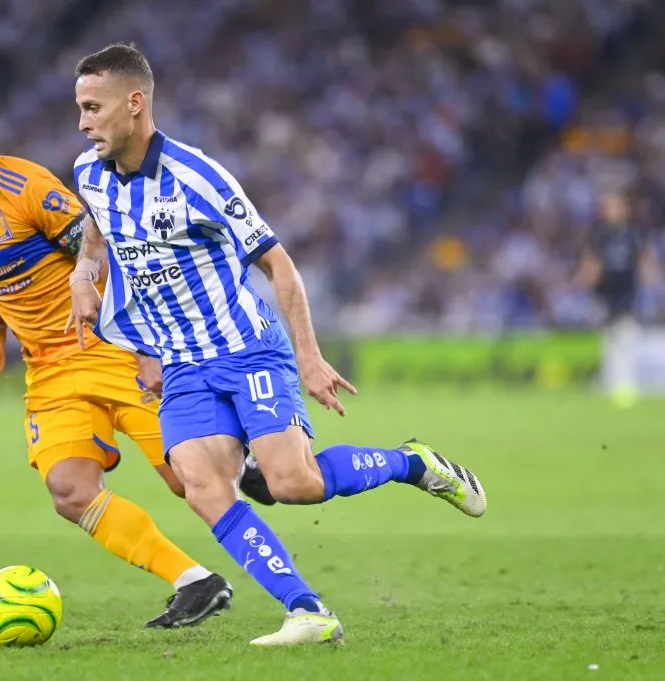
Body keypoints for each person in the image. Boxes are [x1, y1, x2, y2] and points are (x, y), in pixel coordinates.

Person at [66, 44, 487, 646]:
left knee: (294, 484)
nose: (82, 123)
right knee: (200, 485)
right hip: (183, 364)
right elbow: (95, 227)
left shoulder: (197, 178)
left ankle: (413, 463)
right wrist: (85, 275)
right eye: (78, 109)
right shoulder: (89, 172)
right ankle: (307, 610)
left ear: (134, 104)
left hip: (246, 350)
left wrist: (309, 357)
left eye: (92, 108)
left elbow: (279, 267)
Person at [0, 94, 276, 628]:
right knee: (70, 492)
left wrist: (146, 344)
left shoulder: (27, 188)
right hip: (50, 373)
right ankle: (196, 582)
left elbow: (108, 251)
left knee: (189, 479)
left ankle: (247, 461)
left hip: (109, 347)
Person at [574, 190, 661, 408]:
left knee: (626, 336)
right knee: (611, 337)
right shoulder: (601, 235)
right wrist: (583, 282)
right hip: (606, 292)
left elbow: (645, 259)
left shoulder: (634, 233)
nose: (611, 211)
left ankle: (626, 384)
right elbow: (592, 262)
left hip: (628, 291)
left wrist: (652, 279)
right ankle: (613, 382)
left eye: (614, 206)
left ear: (625, 208)